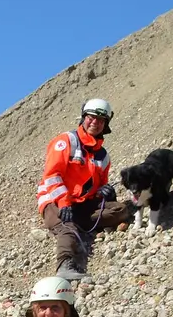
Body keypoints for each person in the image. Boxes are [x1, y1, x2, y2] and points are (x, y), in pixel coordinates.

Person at [38, 99, 134, 281]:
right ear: (83, 118)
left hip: (81, 204)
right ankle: (64, 265)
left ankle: (78, 223)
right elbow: (52, 175)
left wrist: (104, 193)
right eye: (91, 117)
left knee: (121, 210)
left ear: (105, 125)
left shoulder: (103, 156)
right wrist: (64, 202)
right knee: (68, 226)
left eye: (100, 120)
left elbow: (97, 187)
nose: (95, 123)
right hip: (54, 199)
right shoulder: (65, 141)